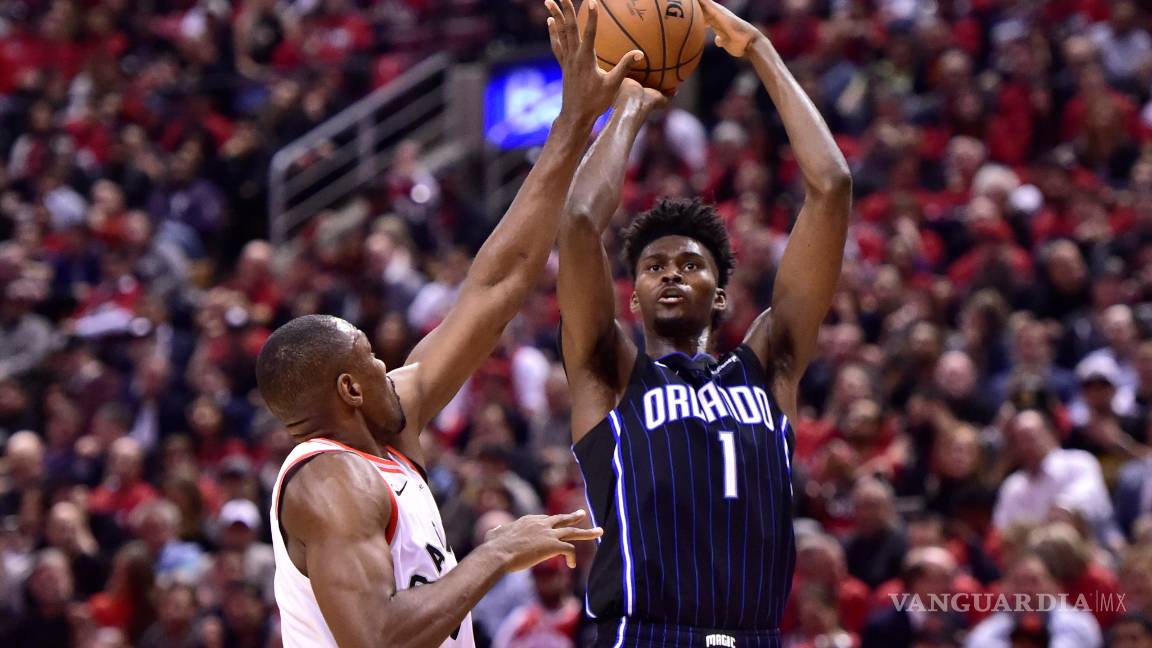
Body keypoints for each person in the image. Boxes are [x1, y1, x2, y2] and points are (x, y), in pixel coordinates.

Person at [254, 3, 643, 647]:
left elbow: (497, 284)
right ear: (350, 390)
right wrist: (496, 553)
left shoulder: (380, 433)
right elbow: (375, 639)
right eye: (373, 361)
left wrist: (573, 124)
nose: (390, 368)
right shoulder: (330, 482)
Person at [556, 0, 851, 645]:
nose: (669, 273)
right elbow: (579, 221)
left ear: (721, 296)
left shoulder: (768, 365)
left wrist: (762, 53)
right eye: (653, 266)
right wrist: (633, 104)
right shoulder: (610, 375)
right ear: (631, 299)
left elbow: (830, 185)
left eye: (690, 264)